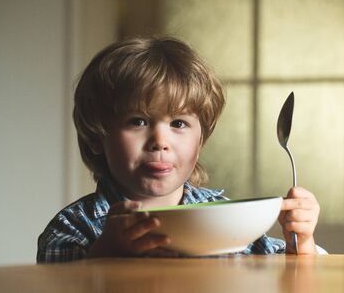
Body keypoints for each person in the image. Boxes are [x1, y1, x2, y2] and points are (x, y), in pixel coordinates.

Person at [37, 36, 324, 263]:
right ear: (96, 137)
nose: (160, 141)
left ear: (201, 140)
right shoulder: (72, 228)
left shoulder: (225, 215)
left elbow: (292, 273)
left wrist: (301, 242)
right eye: (138, 121)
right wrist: (104, 256)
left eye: (178, 123)